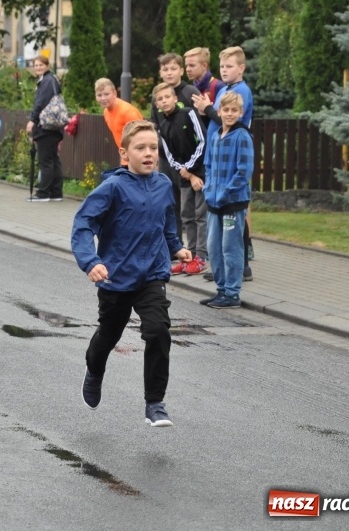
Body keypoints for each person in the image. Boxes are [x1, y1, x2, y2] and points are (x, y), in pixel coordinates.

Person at [71, 120, 192, 428]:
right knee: (109, 335)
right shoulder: (112, 188)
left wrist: (176, 247)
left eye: (153, 148)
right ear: (124, 154)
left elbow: (166, 221)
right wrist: (90, 261)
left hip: (152, 274)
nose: (149, 153)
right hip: (115, 276)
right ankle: (94, 370)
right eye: (141, 148)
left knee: (158, 331)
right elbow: (83, 224)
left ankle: (155, 403)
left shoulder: (163, 185)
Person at [192, 46, 255, 282]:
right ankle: (221, 269)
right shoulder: (225, 89)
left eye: (229, 66)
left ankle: (242, 266)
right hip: (217, 155)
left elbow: (229, 119)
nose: (224, 70)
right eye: (222, 66)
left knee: (235, 218)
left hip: (231, 159)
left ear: (241, 68)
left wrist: (207, 109)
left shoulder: (242, 90)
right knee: (220, 225)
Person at [201, 92, 253, 309]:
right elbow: (208, 165)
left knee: (230, 248)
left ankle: (232, 293)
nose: (229, 114)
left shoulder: (242, 136)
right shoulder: (215, 136)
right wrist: (208, 188)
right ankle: (221, 289)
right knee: (213, 248)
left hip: (232, 203)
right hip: (213, 203)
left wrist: (226, 192)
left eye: (234, 110)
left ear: (240, 113)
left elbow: (244, 171)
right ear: (219, 111)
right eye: (226, 110)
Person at [152, 83, 208, 276]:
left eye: (167, 97)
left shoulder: (188, 113)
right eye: (160, 99)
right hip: (185, 176)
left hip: (200, 172)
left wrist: (192, 171)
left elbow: (202, 141)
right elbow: (169, 156)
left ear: (175, 99)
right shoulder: (163, 126)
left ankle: (202, 257)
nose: (164, 101)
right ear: (156, 104)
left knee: (201, 215)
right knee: (186, 215)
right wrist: (186, 173)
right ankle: (189, 256)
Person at [150, 53, 200, 240]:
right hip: (167, 159)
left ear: (181, 70)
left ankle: (196, 249)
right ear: (160, 72)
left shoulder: (190, 92)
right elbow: (155, 125)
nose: (169, 73)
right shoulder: (157, 95)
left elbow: (200, 125)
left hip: (190, 162)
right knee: (170, 204)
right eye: (165, 69)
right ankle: (174, 245)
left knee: (191, 208)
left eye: (173, 68)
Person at [25, 55, 64, 202]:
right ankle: (56, 193)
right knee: (53, 160)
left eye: (41, 65)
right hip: (54, 127)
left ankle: (43, 193)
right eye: (36, 65)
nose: (38, 68)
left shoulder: (47, 81)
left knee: (45, 161)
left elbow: (40, 102)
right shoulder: (52, 79)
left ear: (47, 65)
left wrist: (32, 120)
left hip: (46, 126)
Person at [95, 77, 143, 165]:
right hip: (125, 157)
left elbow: (142, 137)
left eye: (106, 94)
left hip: (137, 158)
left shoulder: (127, 112)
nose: (103, 98)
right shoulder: (106, 112)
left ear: (115, 93)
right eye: (99, 95)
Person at [183, 47, 225, 128]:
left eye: (192, 65)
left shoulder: (219, 86)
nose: (187, 69)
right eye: (186, 66)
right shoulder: (189, 89)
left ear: (204, 66)